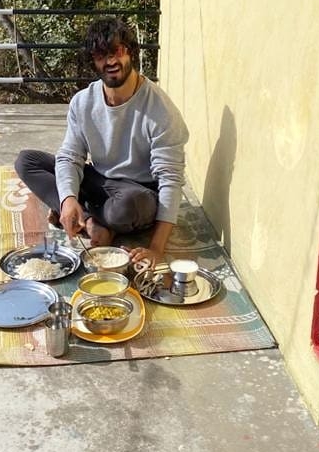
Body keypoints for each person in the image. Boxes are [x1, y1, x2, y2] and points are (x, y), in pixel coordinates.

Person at [15, 17, 189, 268]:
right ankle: (88, 219)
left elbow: (170, 180)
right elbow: (70, 156)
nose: (110, 62)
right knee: (27, 161)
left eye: (116, 52)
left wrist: (155, 249)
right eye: (100, 55)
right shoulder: (83, 102)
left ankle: (96, 218)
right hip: (98, 179)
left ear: (130, 52)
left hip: (137, 193)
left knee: (125, 208)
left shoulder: (161, 110)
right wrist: (67, 199)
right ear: (93, 61)